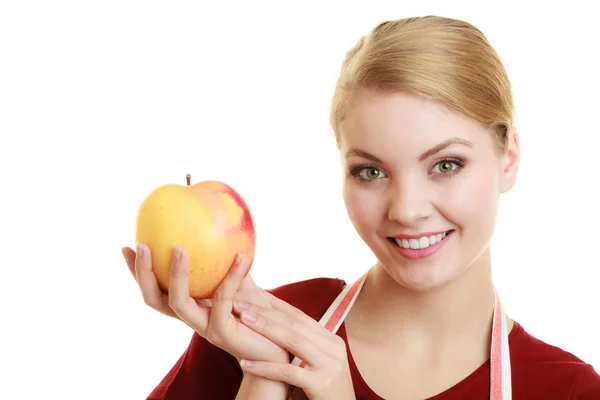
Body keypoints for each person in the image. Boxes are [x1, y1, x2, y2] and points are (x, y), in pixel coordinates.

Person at [122, 15, 600, 399]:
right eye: (371, 171)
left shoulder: (568, 389)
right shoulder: (261, 328)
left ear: (508, 158)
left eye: (446, 164)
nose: (407, 210)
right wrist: (265, 375)